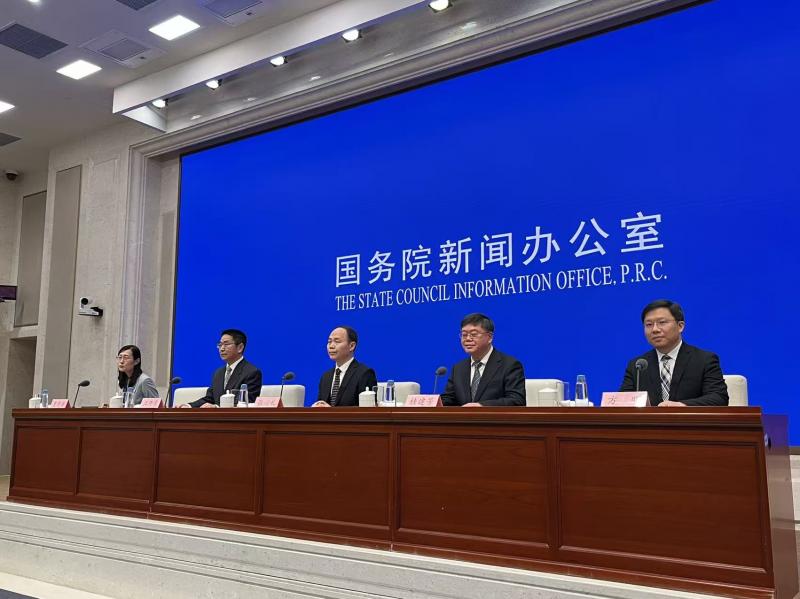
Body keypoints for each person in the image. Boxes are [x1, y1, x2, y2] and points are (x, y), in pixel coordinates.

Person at [620, 299, 728, 406]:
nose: (655, 329)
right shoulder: (638, 365)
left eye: (662, 322)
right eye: (649, 324)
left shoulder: (704, 360)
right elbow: (622, 402)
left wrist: (682, 405)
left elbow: (719, 398)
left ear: (680, 326)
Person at [440, 313, 526, 407]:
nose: (467, 339)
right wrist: (433, 402)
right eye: (464, 335)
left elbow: (517, 400)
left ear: (490, 337)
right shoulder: (458, 368)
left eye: (473, 334)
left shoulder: (510, 365)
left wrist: (481, 406)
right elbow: (449, 399)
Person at [184, 329, 262, 408]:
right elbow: (210, 398)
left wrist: (216, 407)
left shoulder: (252, 372)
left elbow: (247, 402)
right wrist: (189, 406)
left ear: (240, 347)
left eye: (226, 344)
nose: (221, 349)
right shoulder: (218, 373)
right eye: (220, 344)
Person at [312, 326, 377, 407]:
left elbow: (367, 410)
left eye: (337, 341)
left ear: (351, 346)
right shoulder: (326, 377)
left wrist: (332, 412)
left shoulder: (364, 373)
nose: (331, 346)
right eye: (329, 342)